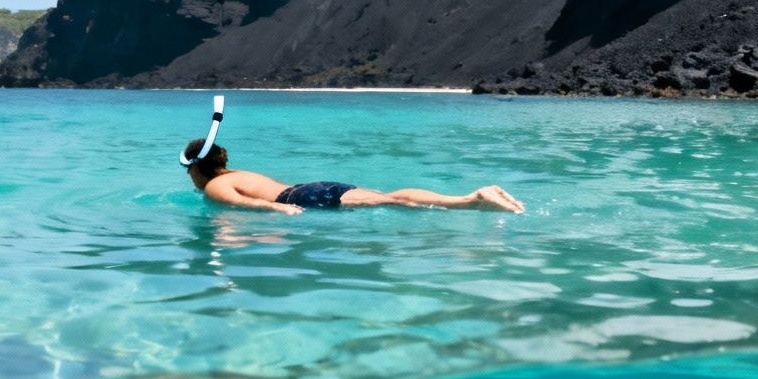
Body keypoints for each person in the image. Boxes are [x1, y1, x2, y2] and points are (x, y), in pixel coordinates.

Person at [182, 140, 524, 214]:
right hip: (313, 187)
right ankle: (469, 199)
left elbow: (246, 203)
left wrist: (279, 213)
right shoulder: (238, 172)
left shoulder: (214, 186)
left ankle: (471, 199)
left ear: (196, 168)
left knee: (393, 199)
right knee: (390, 196)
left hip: (302, 199)